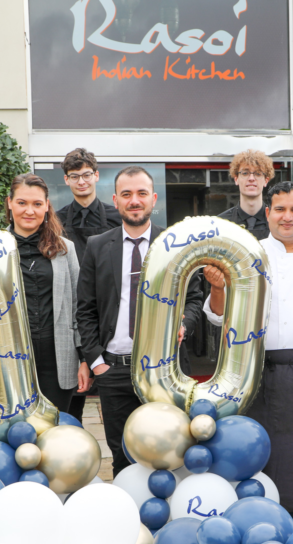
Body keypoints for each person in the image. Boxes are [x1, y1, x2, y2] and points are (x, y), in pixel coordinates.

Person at [204, 182, 293, 526]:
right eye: (280, 209)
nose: (288, 217)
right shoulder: (247, 254)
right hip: (260, 375)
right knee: (262, 457)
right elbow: (220, 316)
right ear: (267, 213)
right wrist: (216, 286)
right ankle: (259, 523)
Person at [76, 166, 202, 476]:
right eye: (128, 194)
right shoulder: (96, 246)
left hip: (166, 371)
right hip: (115, 371)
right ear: (116, 200)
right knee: (122, 456)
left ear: (153, 199)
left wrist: (183, 324)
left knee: (172, 452)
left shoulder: (177, 243)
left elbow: (195, 298)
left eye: (142, 194)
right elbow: (85, 309)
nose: (135, 201)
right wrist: (96, 363)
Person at [0, 174, 88, 419]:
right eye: (22, 202)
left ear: (47, 206)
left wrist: (84, 359)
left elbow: (80, 306)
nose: (29, 210)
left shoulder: (65, 249)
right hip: (8, 358)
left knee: (54, 430)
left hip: (58, 360)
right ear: (10, 203)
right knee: (16, 430)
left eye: (37, 204)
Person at [55, 147, 122, 265]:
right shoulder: (57, 220)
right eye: (74, 176)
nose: (81, 182)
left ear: (96, 175)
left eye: (86, 175)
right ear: (66, 179)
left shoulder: (117, 216)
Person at [217, 149, 273, 239]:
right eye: (245, 173)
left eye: (258, 173)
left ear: (266, 180)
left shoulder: (277, 221)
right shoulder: (220, 223)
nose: (251, 178)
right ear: (236, 179)